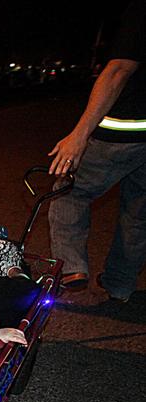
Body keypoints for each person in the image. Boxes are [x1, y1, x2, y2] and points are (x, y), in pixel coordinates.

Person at [47, 0, 146, 303]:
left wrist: (80, 134)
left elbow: (118, 70)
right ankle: (119, 284)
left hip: (123, 130)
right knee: (138, 212)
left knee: (68, 191)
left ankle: (73, 269)